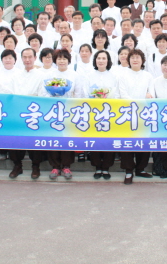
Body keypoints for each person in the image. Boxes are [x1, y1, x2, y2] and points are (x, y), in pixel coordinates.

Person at [39, 49, 83, 180]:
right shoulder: (49, 74)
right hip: (53, 111)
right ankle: (55, 166)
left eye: (64, 58)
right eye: (59, 58)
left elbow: (79, 94)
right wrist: (54, 94)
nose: (62, 61)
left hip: (68, 111)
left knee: (67, 138)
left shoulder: (74, 75)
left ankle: (66, 166)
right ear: (55, 60)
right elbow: (42, 92)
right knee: (54, 138)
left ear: (68, 60)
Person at [118, 49, 154, 184]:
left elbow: (151, 94)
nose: (135, 60)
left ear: (142, 60)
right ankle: (128, 170)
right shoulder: (123, 75)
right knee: (128, 142)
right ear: (128, 60)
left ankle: (140, 168)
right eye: (132, 57)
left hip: (144, 114)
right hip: (127, 112)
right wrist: (140, 99)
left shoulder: (148, 76)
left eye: (138, 57)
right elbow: (123, 95)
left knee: (143, 142)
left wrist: (145, 98)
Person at [8, 48, 44, 179]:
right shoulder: (16, 76)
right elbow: (12, 94)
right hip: (18, 112)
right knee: (16, 140)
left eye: (30, 57)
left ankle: (36, 166)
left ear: (35, 58)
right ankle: (17, 165)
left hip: (34, 113)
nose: (27, 60)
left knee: (34, 141)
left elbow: (42, 95)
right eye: (25, 57)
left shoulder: (41, 76)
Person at [87, 50, 118, 180]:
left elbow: (116, 94)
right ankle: (97, 167)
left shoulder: (113, 76)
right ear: (95, 60)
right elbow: (85, 92)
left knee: (108, 140)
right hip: (93, 112)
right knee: (95, 140)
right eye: (98, 58)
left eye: (104, 58)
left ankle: (106, 167)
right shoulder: (89, 76)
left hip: (109, 112)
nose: (101, 60)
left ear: (108, 61)